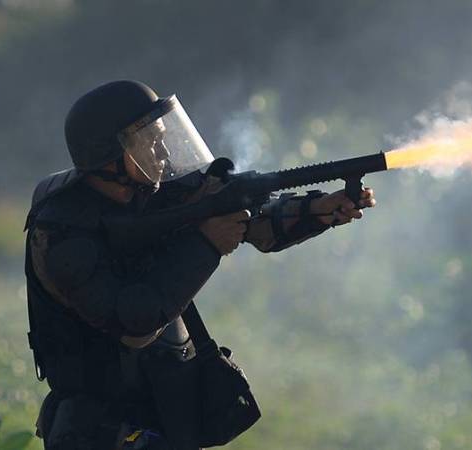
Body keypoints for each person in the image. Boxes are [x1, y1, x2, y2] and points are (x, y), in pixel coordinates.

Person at [24, 80, 376, 449]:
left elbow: (250, 220)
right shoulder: (61, 232)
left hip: (165, 409)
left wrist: (315, 210)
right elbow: (133, 321)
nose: (161, 152)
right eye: (147, 142)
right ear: (108, 155)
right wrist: (207, 245)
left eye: (161, 138)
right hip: (98, 429)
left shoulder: (153, 192)